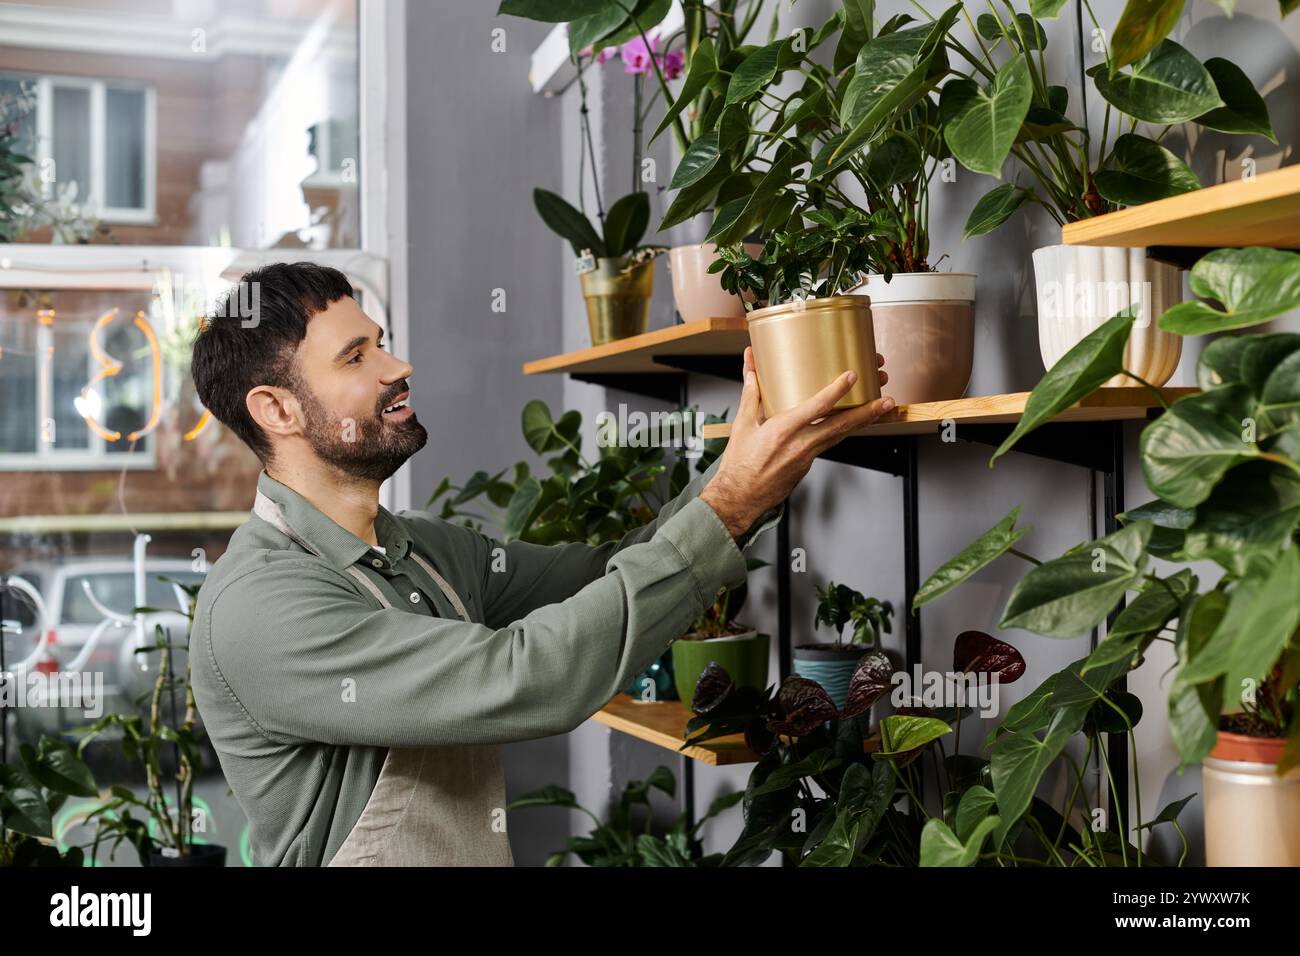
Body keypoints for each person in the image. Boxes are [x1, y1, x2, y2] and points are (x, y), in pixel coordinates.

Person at [188, 261, 895, 866]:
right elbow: (527, 678)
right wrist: (731, 505)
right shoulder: (263, 605)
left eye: (382, 344)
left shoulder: (420, 552)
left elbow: (610, 569)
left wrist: (748, 474)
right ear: (276, 410)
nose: (397, 367)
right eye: (355, 357)